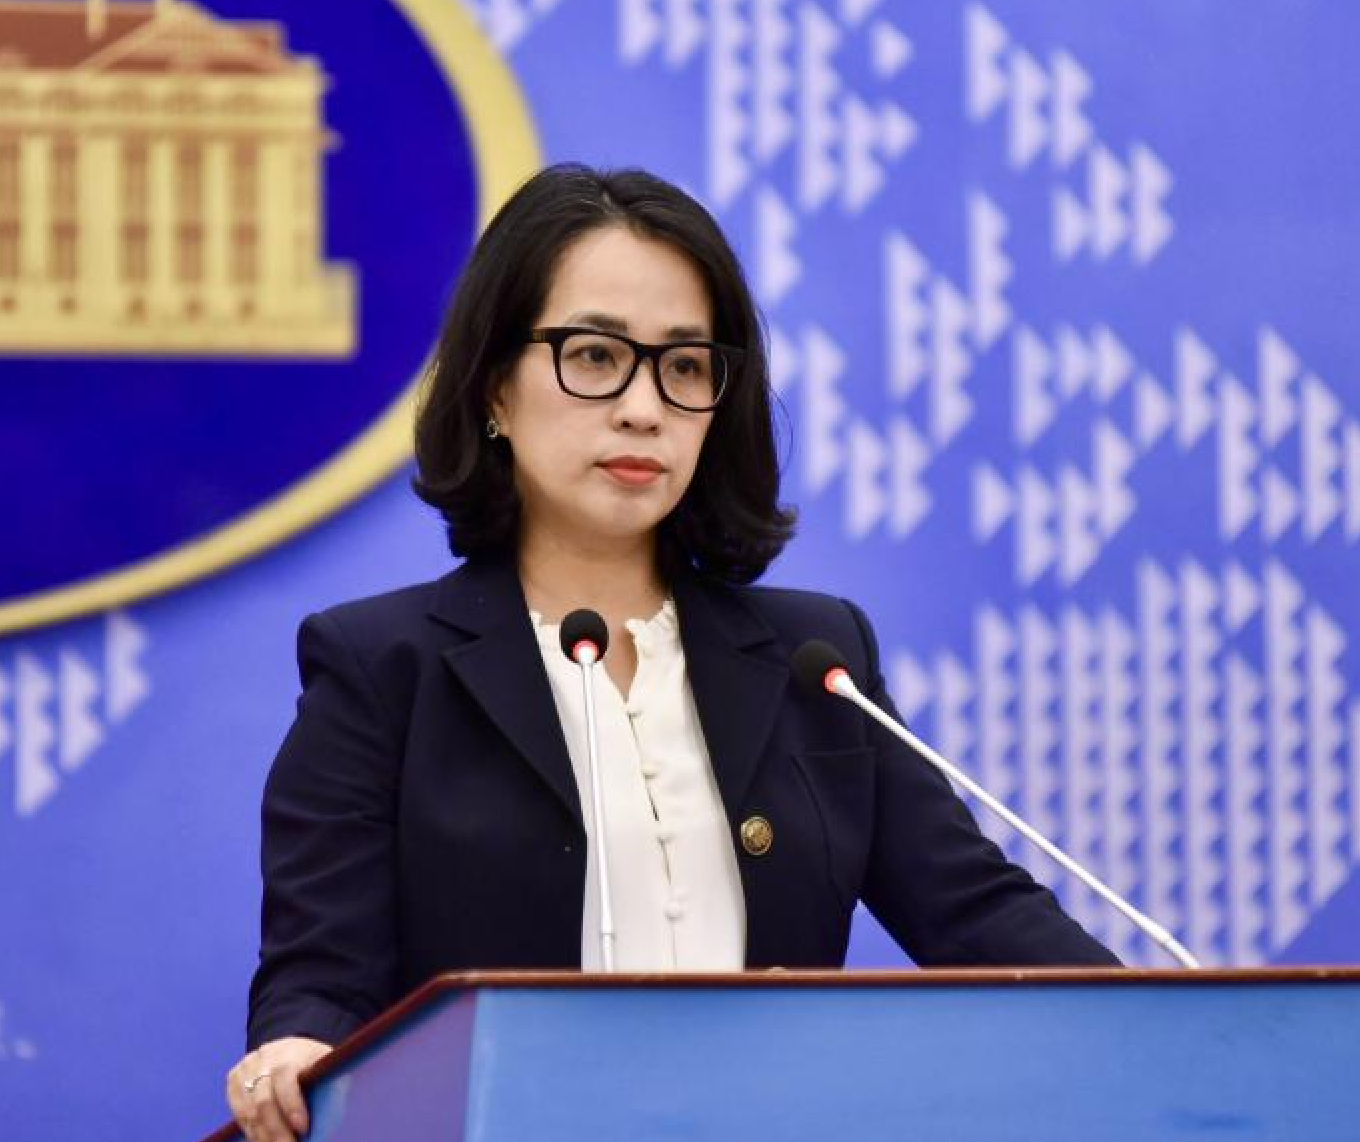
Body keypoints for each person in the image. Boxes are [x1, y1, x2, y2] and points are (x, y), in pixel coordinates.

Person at [225, 164, 1117, 1141]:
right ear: (494, 390)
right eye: (594, 355)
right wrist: (297, 1049)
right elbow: (321, 979)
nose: (644, 407)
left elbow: (981, 918)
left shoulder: (813, 662)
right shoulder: (380, 668)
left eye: (684, 367)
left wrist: (1161, 1023)